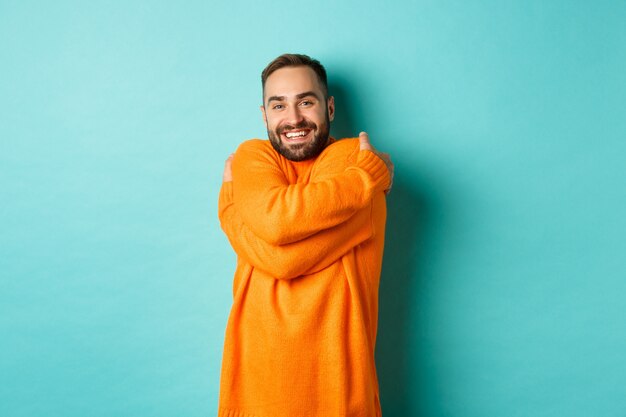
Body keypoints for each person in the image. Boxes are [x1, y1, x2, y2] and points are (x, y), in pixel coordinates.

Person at [217, 53, 394, 417]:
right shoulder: (254, 155)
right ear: (264, 115)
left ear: (329, 107)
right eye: (278, 105)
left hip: (339, 398)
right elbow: (278, 224)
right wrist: (232, 212)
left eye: (306, 102)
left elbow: (282, 253)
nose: (293, 118)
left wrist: (231, 208)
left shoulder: (351, 159)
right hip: (254, 394)